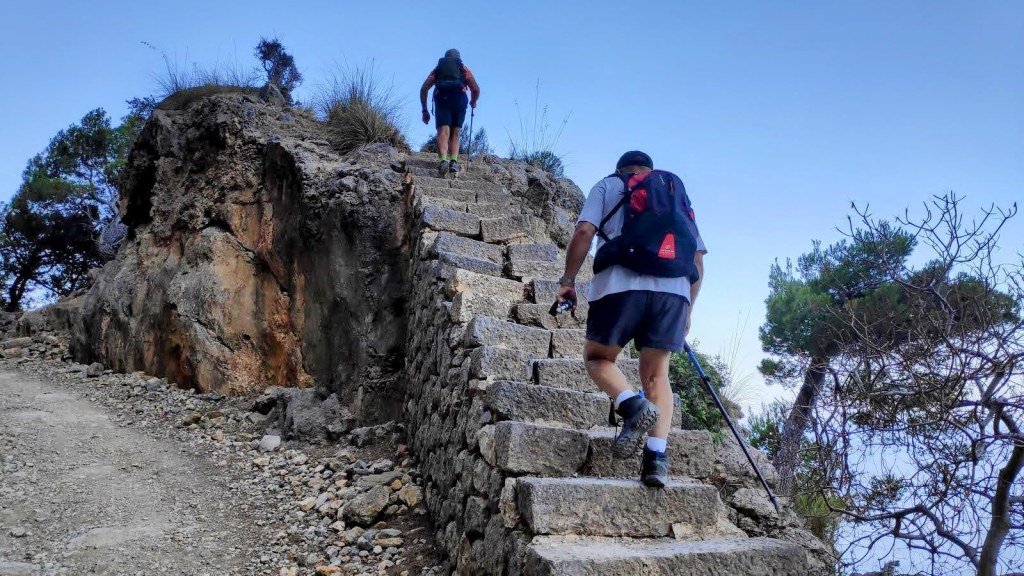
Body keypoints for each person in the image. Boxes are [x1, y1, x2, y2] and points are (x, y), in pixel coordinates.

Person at [555, 151, 707, 487]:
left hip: (619, 284)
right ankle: (656, 458)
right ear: (650, 171)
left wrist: (567, 282)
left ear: (620, 169)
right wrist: (688, 312)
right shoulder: (675, 195)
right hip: (675, 293)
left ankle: (631, 405)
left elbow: (583, 232)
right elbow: (697, 260)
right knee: (657, 375)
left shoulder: (608, 185)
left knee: (597, 358)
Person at [420, 48, 480, 176]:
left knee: (443, 131)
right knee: (455, 132)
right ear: (458, 58)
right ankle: (453, 161)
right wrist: (473, 102)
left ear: (445, 58)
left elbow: (424, 88)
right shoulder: (463, 69)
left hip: (442, 99)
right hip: (459, 99)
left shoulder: (438, 69)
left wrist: (425, 110)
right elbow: (476, 89)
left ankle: (443, 162)